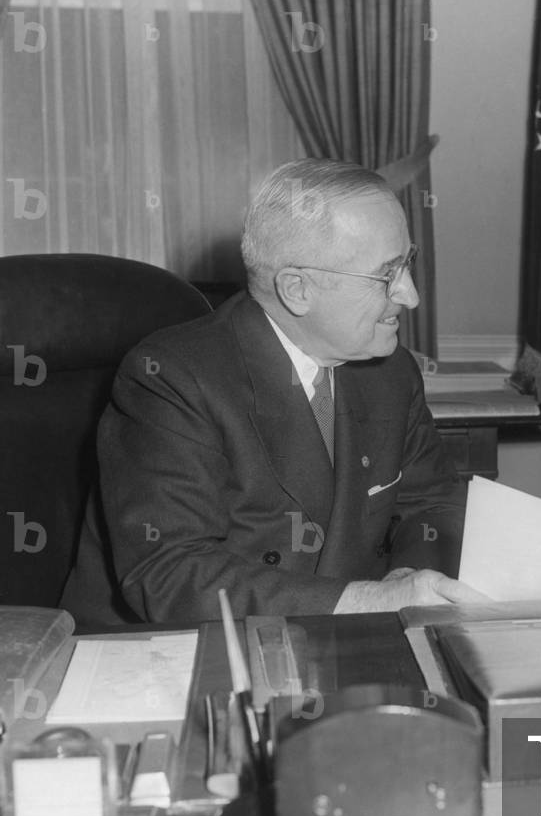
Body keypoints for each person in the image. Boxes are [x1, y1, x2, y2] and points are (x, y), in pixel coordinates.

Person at [65, 159, 481, 623]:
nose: (410, 294)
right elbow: (171, 575)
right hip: (168, 655)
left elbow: (434, 504)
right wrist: (371, 601)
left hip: (341, 640)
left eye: (408, 262)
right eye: (387, 275)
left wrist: (407, 577)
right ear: (297, 289)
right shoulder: (171, 378)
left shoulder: (390, 371)